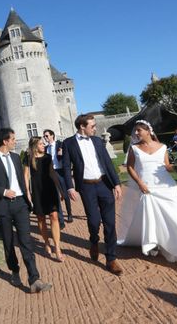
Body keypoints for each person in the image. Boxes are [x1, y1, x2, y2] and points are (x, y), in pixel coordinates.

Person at [117, 120, 177, 271]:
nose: (136, 133)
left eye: (139, 130)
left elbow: (166, 166)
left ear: (148, 131)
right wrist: (139, 183)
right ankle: (154, 242)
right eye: (136, 131)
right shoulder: (134, 148)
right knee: (152, 217)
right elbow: (130, 168)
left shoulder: (163, 147)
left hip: (167, 187)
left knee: (176, 220)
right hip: (147, 187)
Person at [0, 128, 51, 293]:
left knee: (26, 241)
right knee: (8, 241)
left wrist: (28, 198)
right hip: (3, 205)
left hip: (20, 204)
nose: (14, 141)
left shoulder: (15, 157)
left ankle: (35, 279)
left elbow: (21, 179)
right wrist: (4, 191)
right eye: (12, 139)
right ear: (5, 141)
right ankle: (14, 270)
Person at [62, 114, 124, 275]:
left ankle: (111, 258)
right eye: (92, 126)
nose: (95, 128)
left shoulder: (97, 141)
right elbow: (66, 167)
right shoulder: (69, 143)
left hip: (104, 184)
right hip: (86, 187)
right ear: (82, 127)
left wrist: (116, 183)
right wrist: (70, 187)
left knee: (110, 223)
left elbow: (108, 163)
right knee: (94, 221)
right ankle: (94, 241)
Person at [23, 136, 66, 262]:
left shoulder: (47, 157)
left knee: (54, 216)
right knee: (41, 218)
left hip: (50, 189)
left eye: (43, 144)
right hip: (37, 190)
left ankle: (57, 248)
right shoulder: (28, 158)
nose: (43, 145)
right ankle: (46, 242)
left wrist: (60, 189)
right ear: (35, 146)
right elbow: (26, 176)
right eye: (41, 144)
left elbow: (52, 173)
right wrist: (28, 192)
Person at [43, 129, 73, 225]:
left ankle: (69, 214)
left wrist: (62, 152)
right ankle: (60, 219)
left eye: (47, 136)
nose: (45, 138)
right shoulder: (45, 148)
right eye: (44, 136)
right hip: (51, 173)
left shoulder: (59, 144)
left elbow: (65, 154)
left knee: (64, 194)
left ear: (52, 135)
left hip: (60, 172)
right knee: (55, 195)